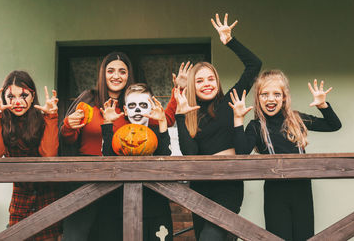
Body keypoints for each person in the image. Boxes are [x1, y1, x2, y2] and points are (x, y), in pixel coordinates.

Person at [59, 52, 181, 240]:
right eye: (111, 71)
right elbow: (68, 140)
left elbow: (160, 122)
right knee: (78, 235)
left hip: (116, 182)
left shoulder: (132, 106)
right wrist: (68, 126)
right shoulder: (88, 101)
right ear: (103, 74)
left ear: (128, 75)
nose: (116, 76)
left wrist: (176, 92)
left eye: (122, 71)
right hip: (86, 178)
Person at [174, 13, 262, 240]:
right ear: (193, 86)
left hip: (227, 185)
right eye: (200, 80)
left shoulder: (228, 102)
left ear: (217, 82)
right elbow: (190, 153)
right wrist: (181, 116)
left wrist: (230, 41)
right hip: (200, 189)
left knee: (210, 237)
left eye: (210, 79)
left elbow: (254, 65)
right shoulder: (190, 115)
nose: (206, 84)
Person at [229, 70, 341, 241]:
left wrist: (322, 105)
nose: (271, 99)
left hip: (302, 189)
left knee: (304, 236)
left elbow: (334, 125)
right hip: (275, 192)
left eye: (276, 94)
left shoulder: (296, 119)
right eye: (264, 94)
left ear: (284, 97)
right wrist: (237, 118)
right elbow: (241, 152)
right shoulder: (255, 126)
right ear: (258, 98)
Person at [0, 70, 61, 241]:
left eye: (24, 95)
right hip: (20, 197)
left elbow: (49, 154)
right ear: (4, 97)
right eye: (11, 96)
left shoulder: (43, 120)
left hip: (47, 195)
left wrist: (51, 117)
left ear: (33, 95)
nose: (18, 102)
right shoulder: (2, 121)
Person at [101, 83, 173, 241]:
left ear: (150, 108)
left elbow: (165, 159)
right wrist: (107, 124)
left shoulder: (157, 134)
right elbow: (106, 160)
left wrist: (162, 122)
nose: (138, 110)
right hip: (123, 208)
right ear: (126, 110)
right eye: (132, 105)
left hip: (156, 207)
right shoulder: (119, 136)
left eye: (143, 105)